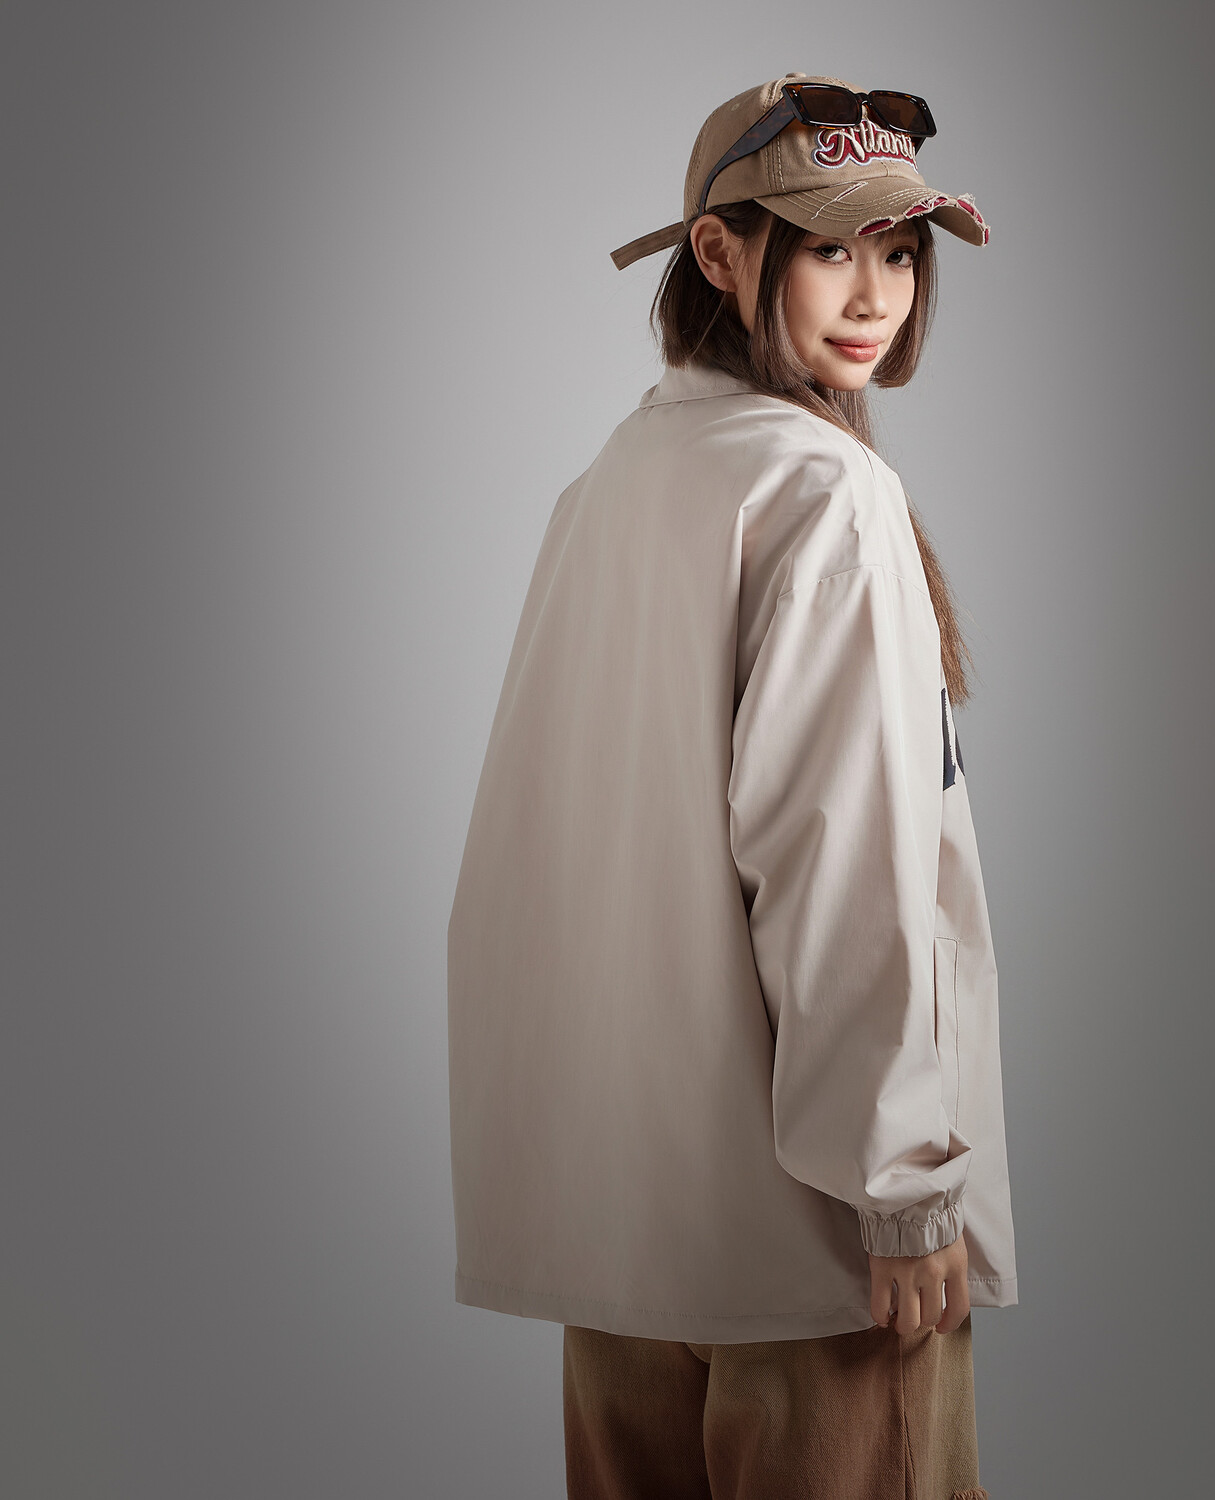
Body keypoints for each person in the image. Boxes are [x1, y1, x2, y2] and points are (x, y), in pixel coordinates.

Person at [447, 73, 1017, 1500]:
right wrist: (905, 1193)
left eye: (901, 252)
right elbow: (842, 868)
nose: (876, 295)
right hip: (818, 1262)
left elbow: (534, 867)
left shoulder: (610, 485)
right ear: (719, 252)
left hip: (627, 1254)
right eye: (828, 248)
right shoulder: (827, 496)